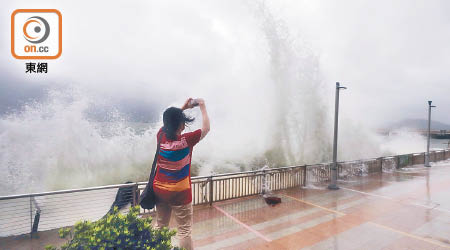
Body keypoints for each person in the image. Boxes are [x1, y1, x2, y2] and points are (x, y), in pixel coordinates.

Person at [153, 98, 210, 250]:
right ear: (180, 124)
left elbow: (166, 125)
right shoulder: (186, 140)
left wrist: (182, 109)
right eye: (182, 121)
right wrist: (202, 106)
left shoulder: (160, 136)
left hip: (159, 190)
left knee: (160, 225)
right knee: (184, 230)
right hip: (180, 193)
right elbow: (206, 128)